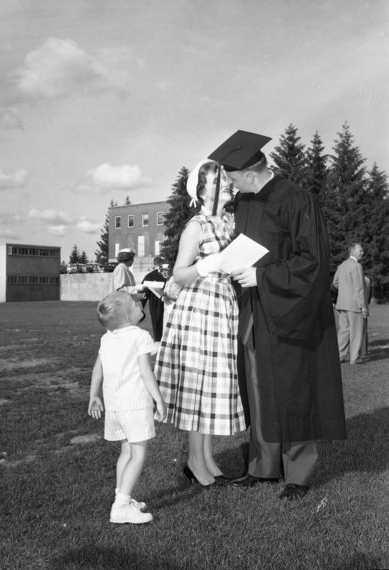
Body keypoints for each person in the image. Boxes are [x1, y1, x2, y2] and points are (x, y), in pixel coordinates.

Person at [208, 129, 347, 500]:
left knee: (293, 387)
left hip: (291, 309)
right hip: (255, 309)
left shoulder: (297, 199)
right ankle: (262, 467)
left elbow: (313, 260)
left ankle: (298, 473)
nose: (231, 186)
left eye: (233, 178)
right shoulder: (247, 202)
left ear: (251, 174)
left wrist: (261, 275)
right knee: (257, 388)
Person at [155, 159, 246, 488]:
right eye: (216, 180)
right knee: (198, 386)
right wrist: (205, 266)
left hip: (222, 306)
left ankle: (206, 458)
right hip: (199, 309)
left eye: (225, 179)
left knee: (211, 384)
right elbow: (179, 273)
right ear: (201, 189)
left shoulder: (225, 223)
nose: (225, 184)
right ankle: (194, 460)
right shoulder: (196, 226)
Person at [88, 291, 167, 524]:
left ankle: (122, 496)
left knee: (126, 451)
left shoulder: (107, 337)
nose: (140, 303)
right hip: (133, 405)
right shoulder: (140, 335)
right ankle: (121, 507)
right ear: (127, 317)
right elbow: (145, 372)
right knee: (138, 453)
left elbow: (97, 369)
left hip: (114, 406)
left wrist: (94, 395)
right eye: (135, 303)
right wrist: (159, 399)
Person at [333, 243, 369, 364]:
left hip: (342, 304)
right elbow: (359, 288)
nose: (362, 253)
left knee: (343, 332)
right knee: (356, 332)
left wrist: (345, 290)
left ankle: (339, 356)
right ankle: (355, 358)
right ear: (353, 252)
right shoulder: (357, 266)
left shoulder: (341, 265)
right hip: (354, 305)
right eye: (360, 251)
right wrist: (363, 306)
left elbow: (335, 283)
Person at [141, 257, 167, 342]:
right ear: (161, 263)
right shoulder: (166, 275)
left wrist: (140, 307)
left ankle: (158, 340)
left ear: (154, 264)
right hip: (167, 302)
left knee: (157, 322)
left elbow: (143, 294)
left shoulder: (149, 276)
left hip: (155, 304)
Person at [160, 264, 182, 329]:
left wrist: (166, 295)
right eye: (162, 271)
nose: (164, 273)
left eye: (166, 270)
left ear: (171, 271)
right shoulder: (168, 281)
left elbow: (177, 296)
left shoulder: (174, 281)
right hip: (167, 309)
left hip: (173, 310)